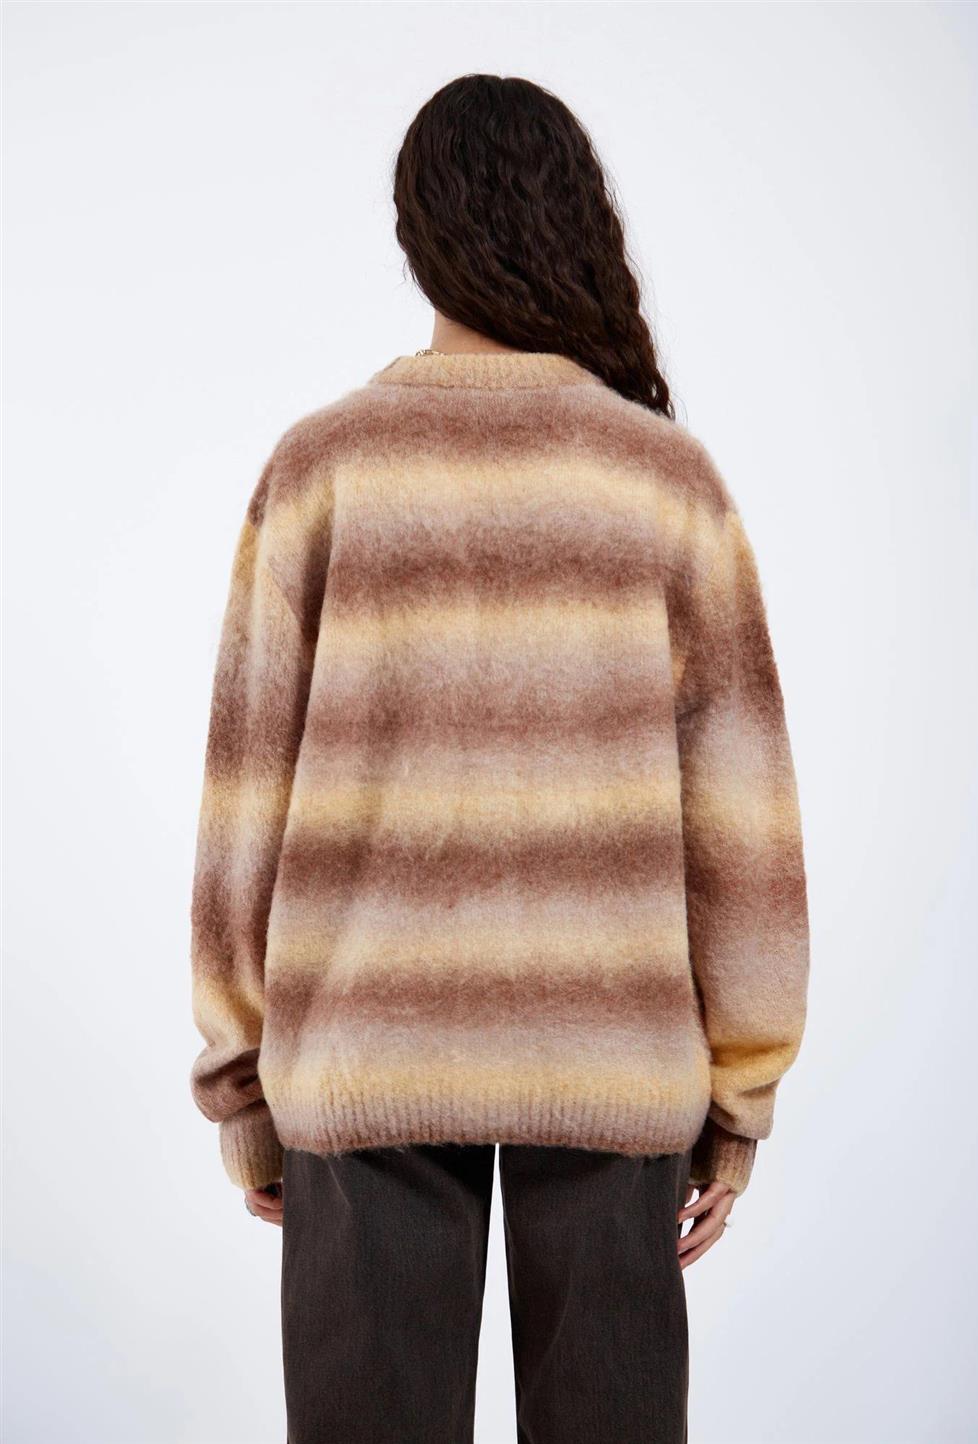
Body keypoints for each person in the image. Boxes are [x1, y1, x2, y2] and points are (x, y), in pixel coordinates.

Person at [188, 73, 809, 1444]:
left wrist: (243, 1086)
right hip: (613, 1062)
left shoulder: (324, 469)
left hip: (366, 1055)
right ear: (578, 223)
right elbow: (746, 818)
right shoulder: (664, 482)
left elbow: (246, 800)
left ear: (416, 236)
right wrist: (738, 1097)